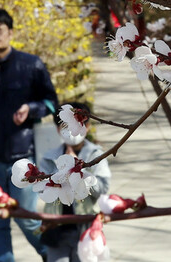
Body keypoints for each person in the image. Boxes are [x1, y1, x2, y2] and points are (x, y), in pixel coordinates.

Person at [0, 8, 58, 262]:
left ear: (10, 32)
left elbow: (52, 102)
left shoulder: (31, 64)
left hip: (24, 157)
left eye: (0, 28)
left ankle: (51, 253)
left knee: (26, 217)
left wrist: (31, 109)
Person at [38, 102, 111, 262]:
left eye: (78, 123)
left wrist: (79, 169)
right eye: (65, 125)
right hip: (57, 230)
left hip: (85, 226)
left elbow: (103, 188)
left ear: (88, 125)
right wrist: (63, 171)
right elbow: (41, 190)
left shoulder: (96, 155)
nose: (71, 130)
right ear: (58, 129)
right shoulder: (49, 158)